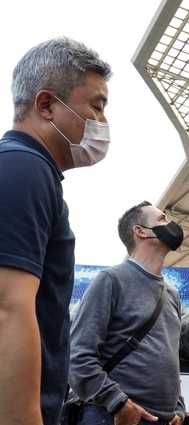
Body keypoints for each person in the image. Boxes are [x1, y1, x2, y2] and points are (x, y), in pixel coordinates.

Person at [0, 37, 112, 425]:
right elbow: (7, 306)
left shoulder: (32, 171)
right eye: (96, 106)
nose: (102, 122)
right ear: (46, 104)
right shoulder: (22, 169)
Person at [69, 201, 186, 425]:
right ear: (140, 231)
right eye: (162, 219)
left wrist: (178, 409)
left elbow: (170, 359)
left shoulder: (172, 295)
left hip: (162, 419)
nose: (171, 224)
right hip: (114, 415)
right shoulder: (111, 280)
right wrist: (118, 402)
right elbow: (78, 356)